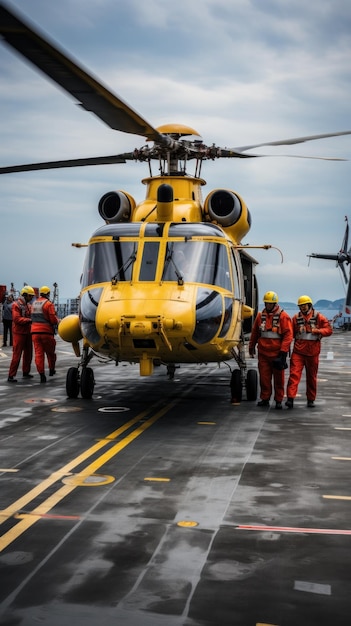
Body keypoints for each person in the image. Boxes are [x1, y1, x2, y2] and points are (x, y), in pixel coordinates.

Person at [285, 295, 332, 409]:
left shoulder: (319, 317)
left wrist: (317, 330)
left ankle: (311, 399)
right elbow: (289, 333)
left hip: (313, 353)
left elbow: (329, 330)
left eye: (304, 305)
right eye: (301, 306)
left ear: (309, 305)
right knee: (294, 375)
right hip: (298, 352)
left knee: (312, 377)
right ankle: (290, 399)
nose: (303, 308)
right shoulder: (295, 318)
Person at [249, 291, 293, 410]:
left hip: (277, 354)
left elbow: (288, 335)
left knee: (279, 379)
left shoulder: (283, 316)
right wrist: (251, 347)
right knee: (264, 378)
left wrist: (283, 352)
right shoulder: (260, 316)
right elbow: (255, 333)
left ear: (275, 304)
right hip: (263, 354)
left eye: (270, 303)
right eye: (266, 303)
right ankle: (265, 398)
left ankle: (278, 400)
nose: (268, 305)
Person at [31, 286, 60, 383]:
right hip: (46, 332)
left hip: (35, 332)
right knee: (50, 353)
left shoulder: (33, 304)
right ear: (48, 294)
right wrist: (58, 320)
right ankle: (51, 370)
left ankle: (41, 375)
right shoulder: (48, 304)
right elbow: (52, 319)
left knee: (39, 354)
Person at [7, 286, 35, 382]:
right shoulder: (16, 305)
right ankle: (11, 375)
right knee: (17, 355)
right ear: (25, 295)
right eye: (30, 296)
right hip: (19, 333)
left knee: (28, 354)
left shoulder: (28, 305)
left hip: (27, 332)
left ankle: (26, 372)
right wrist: (30, 320)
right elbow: (16, 319)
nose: (31, 298)